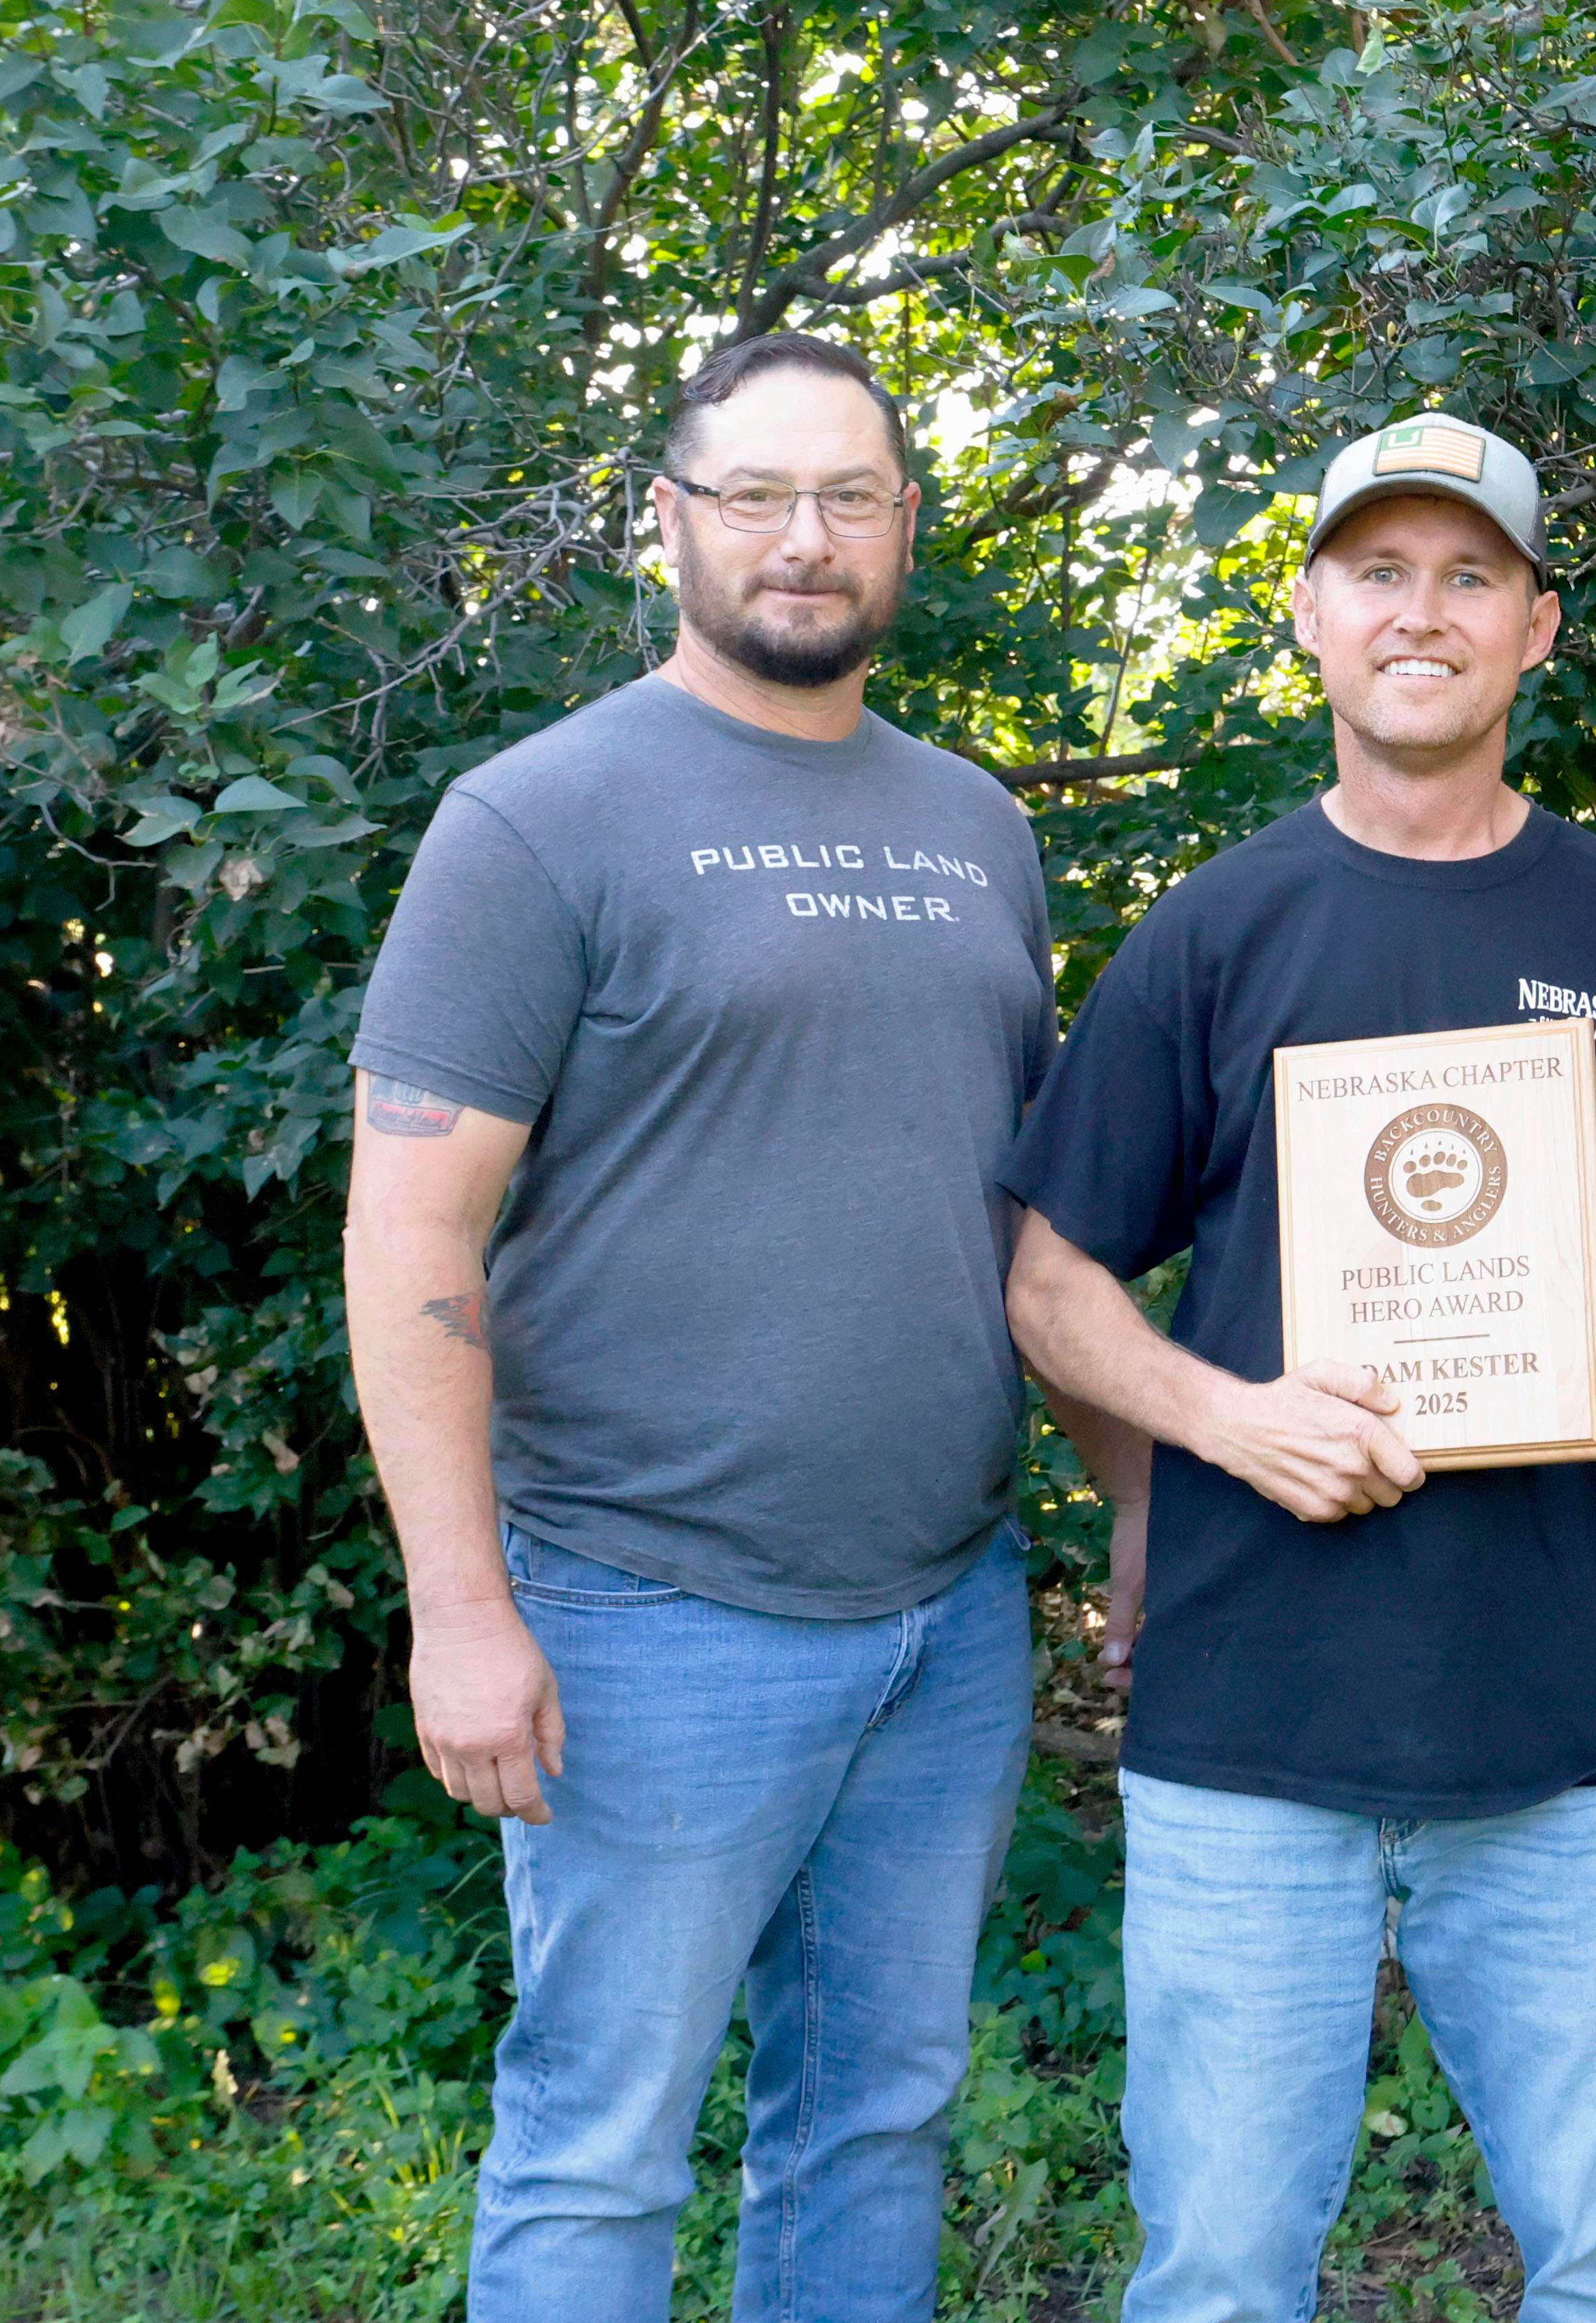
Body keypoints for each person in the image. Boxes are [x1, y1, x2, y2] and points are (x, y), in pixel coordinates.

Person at [342, 329, 1145, 2323]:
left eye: (850, 497)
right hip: (644, 1613)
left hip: (946, 1615)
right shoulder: (540, 819)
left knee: (877, 2117)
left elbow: (1020, 1226)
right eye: (758, 495)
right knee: (605, 2141)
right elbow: (412, 1224)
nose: (806, 539)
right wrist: (460, 1603)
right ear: (671, 521)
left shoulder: (978, 824)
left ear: (901, 529)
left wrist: (1129, 1502)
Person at [998, 413, 1596, 2322]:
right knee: (1217, 2275)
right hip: (1250, 1726)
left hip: (1561, 1732)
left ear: (1537, 627)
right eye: (1379, 573)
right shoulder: (1214, 932)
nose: (1420, 614)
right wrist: (1217, 1428)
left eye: (1468, 578)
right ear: (1308, 616)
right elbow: (1051, 1282)